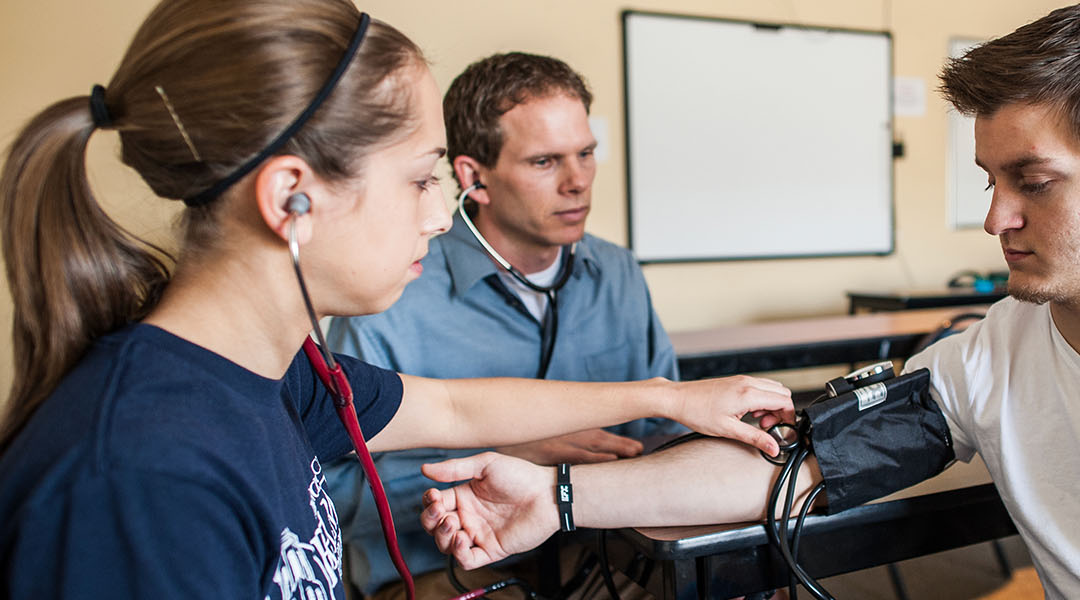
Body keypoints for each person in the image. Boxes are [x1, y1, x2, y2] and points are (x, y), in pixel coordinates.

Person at [415, 1, 1080, 598]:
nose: (993, 219)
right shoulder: (996, 353)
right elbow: (799, 466)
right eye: (987, 181)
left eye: (1030, 182)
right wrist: (552, 500)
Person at [0, 2, 792, 598]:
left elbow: (449, 410)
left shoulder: (286, 376)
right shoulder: (137, 478)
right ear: (292, 200)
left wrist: (668, 396)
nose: (435, 214)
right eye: (420, 181)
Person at [324, 52, 685, 597]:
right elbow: (338, 492)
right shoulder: (394, 292)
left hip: (601, 544)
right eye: (545, 162)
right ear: (475, 177)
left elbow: (664, 433)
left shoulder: (618, 273)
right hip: (445, 567)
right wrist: (505, 463)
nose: (578, 182)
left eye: (586, 154)